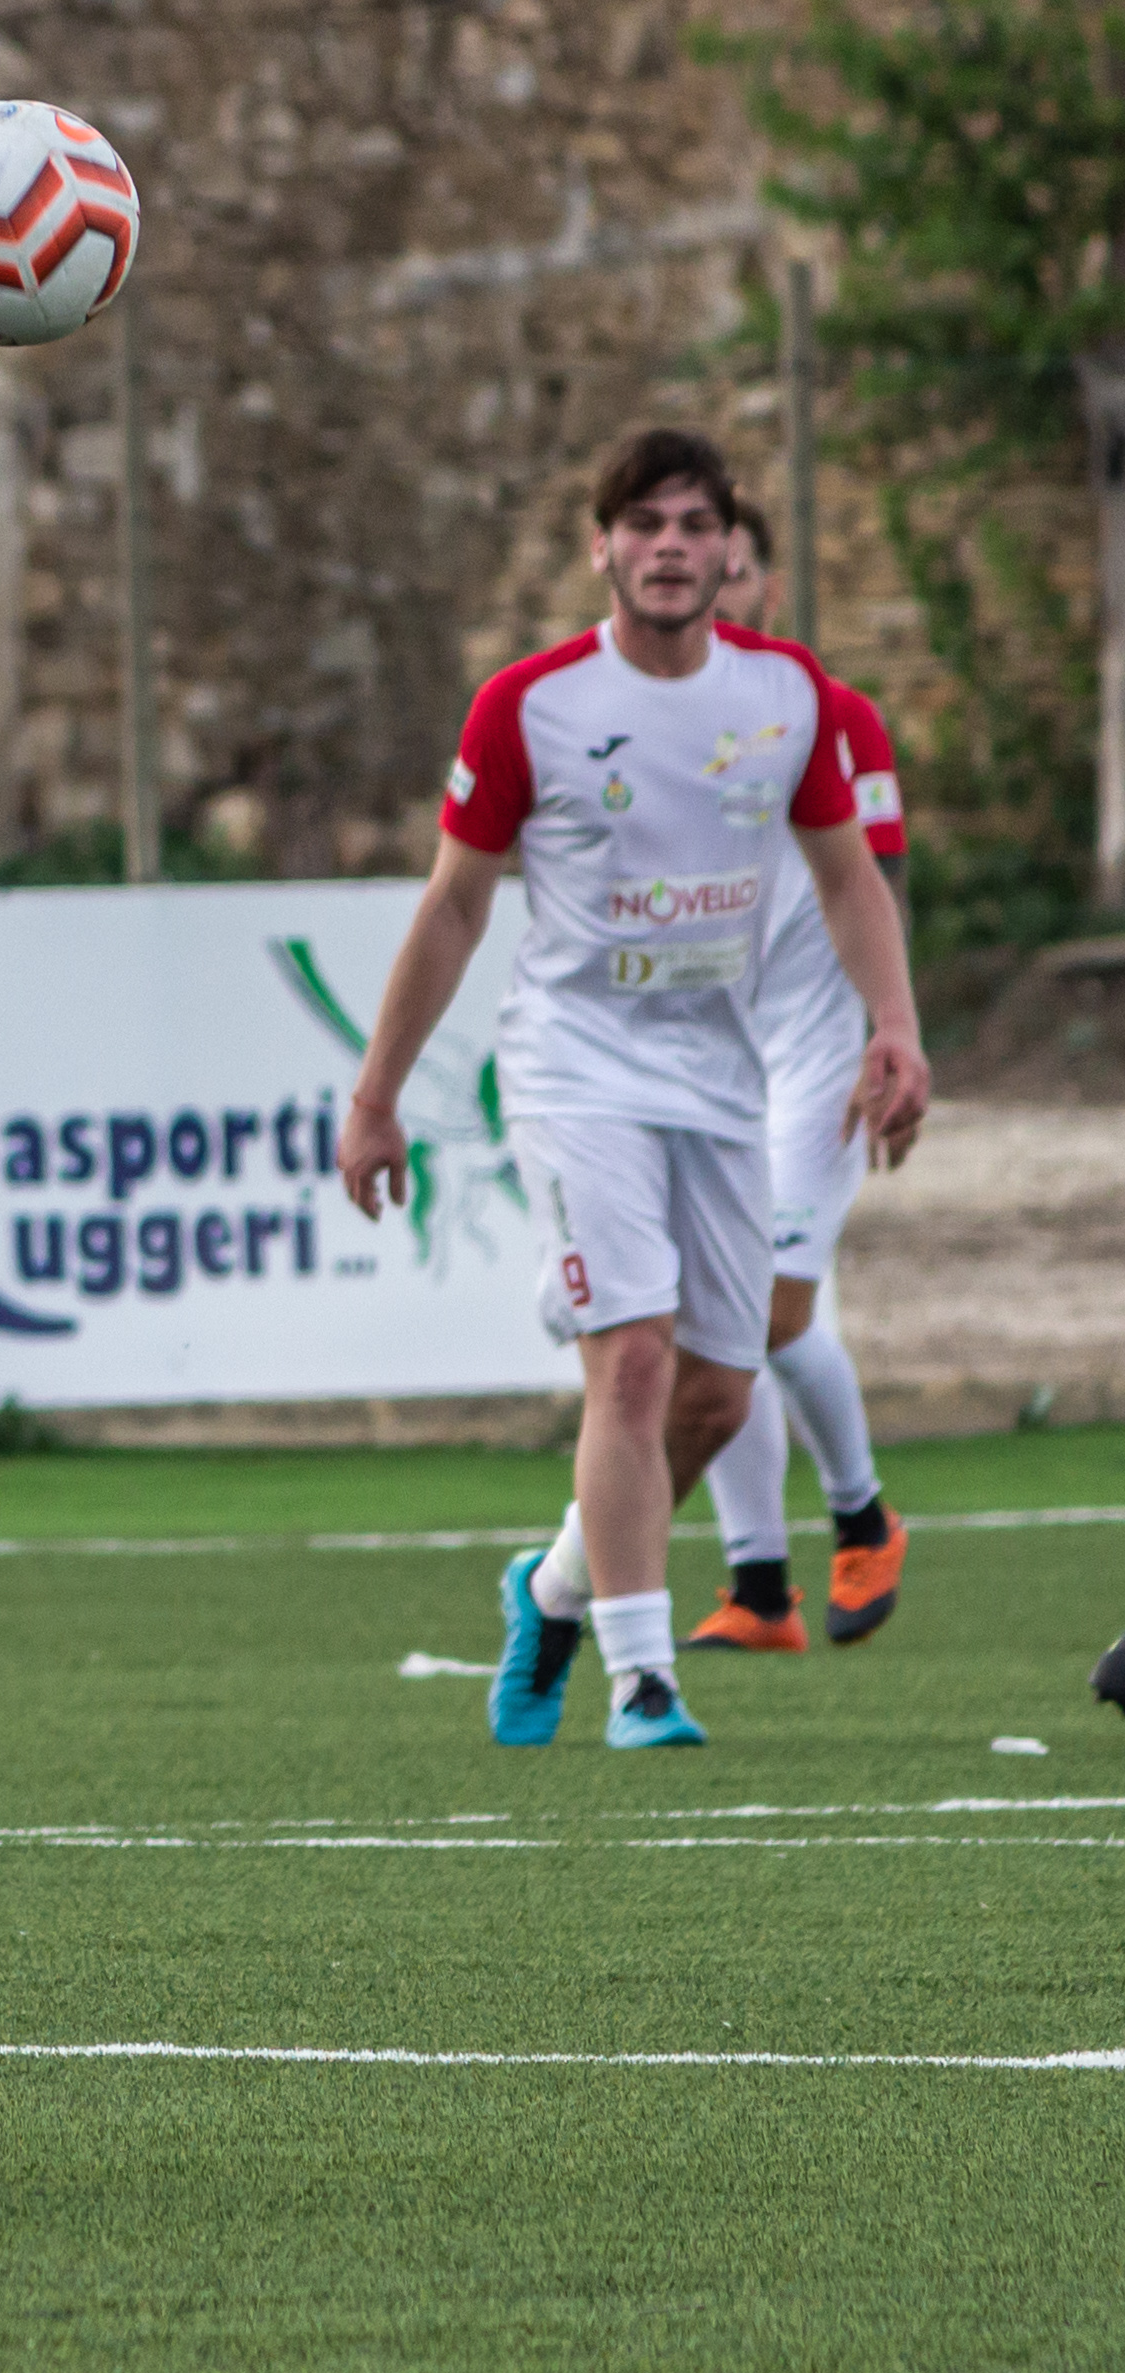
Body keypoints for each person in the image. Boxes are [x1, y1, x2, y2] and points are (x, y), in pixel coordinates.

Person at [336, 429, 926, 1751]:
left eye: (693, 524)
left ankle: (551, 1589)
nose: (669, 546)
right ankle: (640, 1680)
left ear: (728, 549)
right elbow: (453, 907)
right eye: (643, 524)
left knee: (720, 1391)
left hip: (721, 1079)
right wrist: (376, 1096)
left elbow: (847, 876)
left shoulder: (786, 698)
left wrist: (893, 1025)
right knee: (636, 1359)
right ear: (599, 546)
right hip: (574, 1070)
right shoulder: (527, 705)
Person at [685, 506, 912, 1654]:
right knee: (703, 1320)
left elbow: (877, 880)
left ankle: (864, 1519)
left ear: (768, 590)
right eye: (702, 567)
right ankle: (760, 1589)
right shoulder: (651, 724)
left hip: (819, 1057)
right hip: (705, 1061)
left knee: (770, 1310)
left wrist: (891, 1028)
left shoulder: (835, 715)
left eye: (735, 570)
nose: (715, 587)